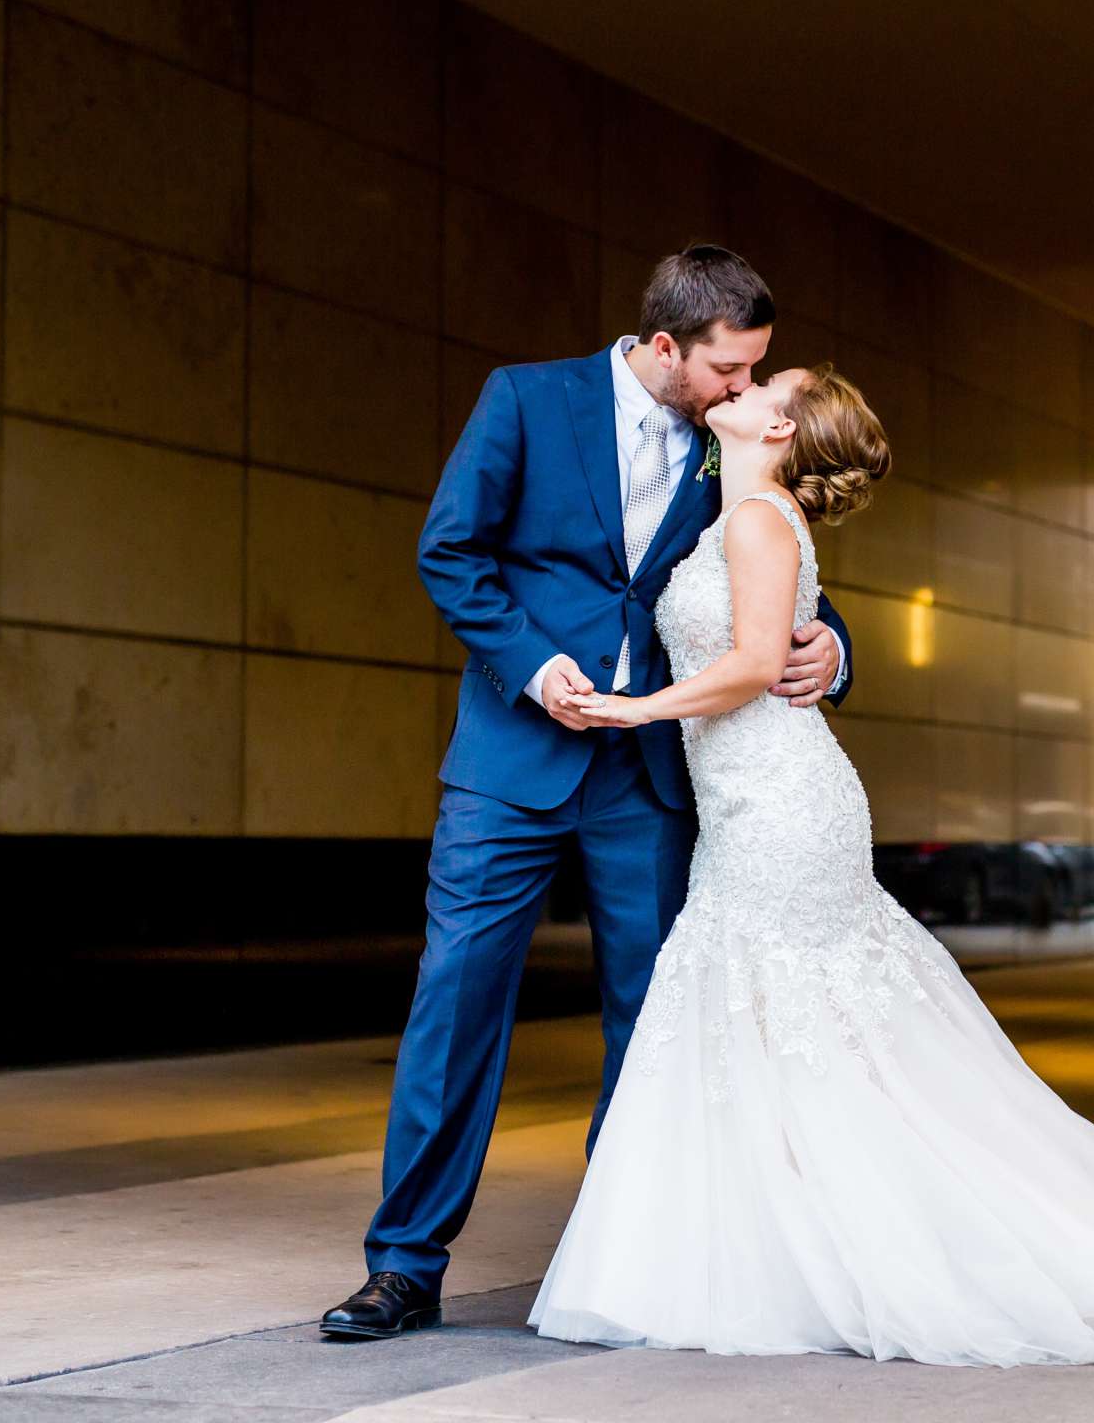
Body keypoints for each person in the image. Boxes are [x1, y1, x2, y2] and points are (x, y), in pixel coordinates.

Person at [527, 365, 1094, 1366]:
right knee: (772, 1029)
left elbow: (745, 665)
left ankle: (845, 1250)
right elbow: (763, 641)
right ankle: (781, 1250)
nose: (734, 383)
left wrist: (631, 710)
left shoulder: (759, 523)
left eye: (760, 380)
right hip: (744, 805)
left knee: (799, 1022)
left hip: (783, 804)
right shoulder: (733, 514)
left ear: (777, 424)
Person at [319, 247, 855, 1339]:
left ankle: (623, 1261)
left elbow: (795, 574)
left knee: (649, 1020)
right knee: (456, 999)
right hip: (511, 761)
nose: (748, 391)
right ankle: (405, 1265)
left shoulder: (734, 444)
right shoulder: (523, 401)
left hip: (647, 773)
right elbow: (450, 552)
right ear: (666, 348)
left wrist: (832, 651)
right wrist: (529, 662)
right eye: (729, 370)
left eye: (755, 371)